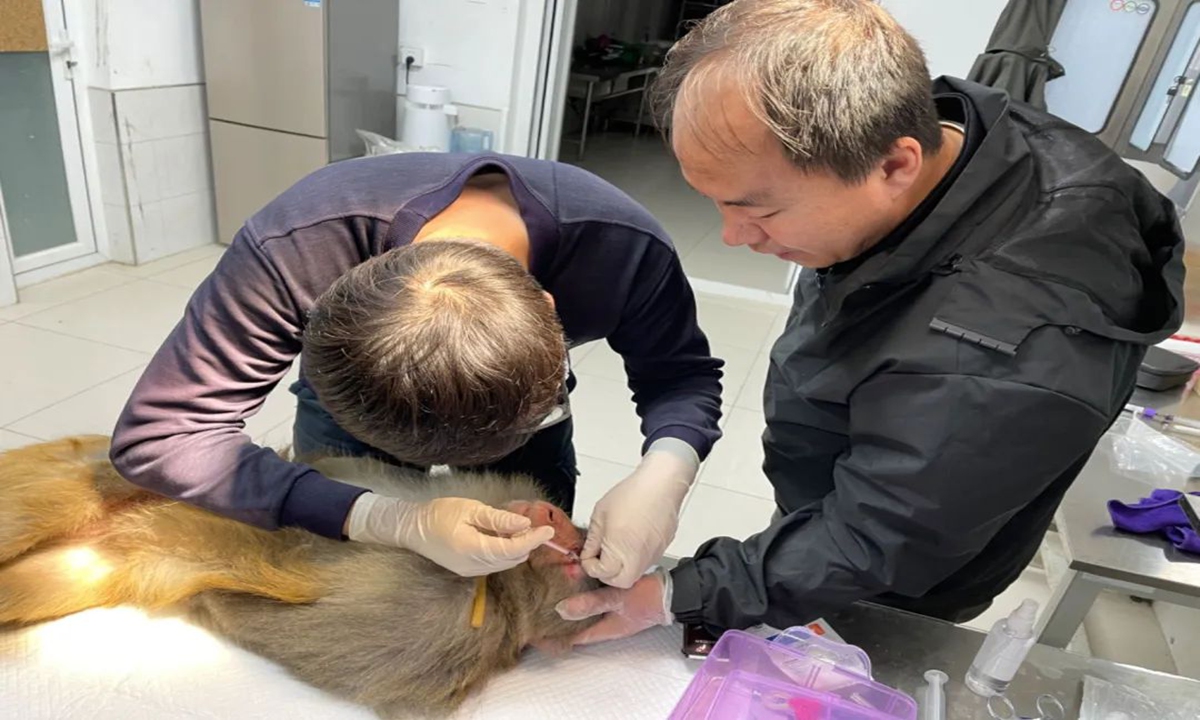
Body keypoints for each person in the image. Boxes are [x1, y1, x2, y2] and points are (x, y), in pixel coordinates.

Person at [557, 0, 1186, 643]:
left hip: (895, 577)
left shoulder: (1005, 353)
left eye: (761, 211)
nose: (732, 235)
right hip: (844, 501)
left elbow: (880, 536)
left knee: (855, 651)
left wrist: (676, 593)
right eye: (718, 202)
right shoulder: (946, 142)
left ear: (894, 165)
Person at [109, 152, 724, 581]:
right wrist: (379, 515)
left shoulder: (623, 252)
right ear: (322, 310)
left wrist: (667, 470)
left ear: (549, 309)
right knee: (341, 550)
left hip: (522, 402)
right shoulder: (297, 248)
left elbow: (680, 374)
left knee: (520, 558)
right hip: (363, 402)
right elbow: (159, 436)